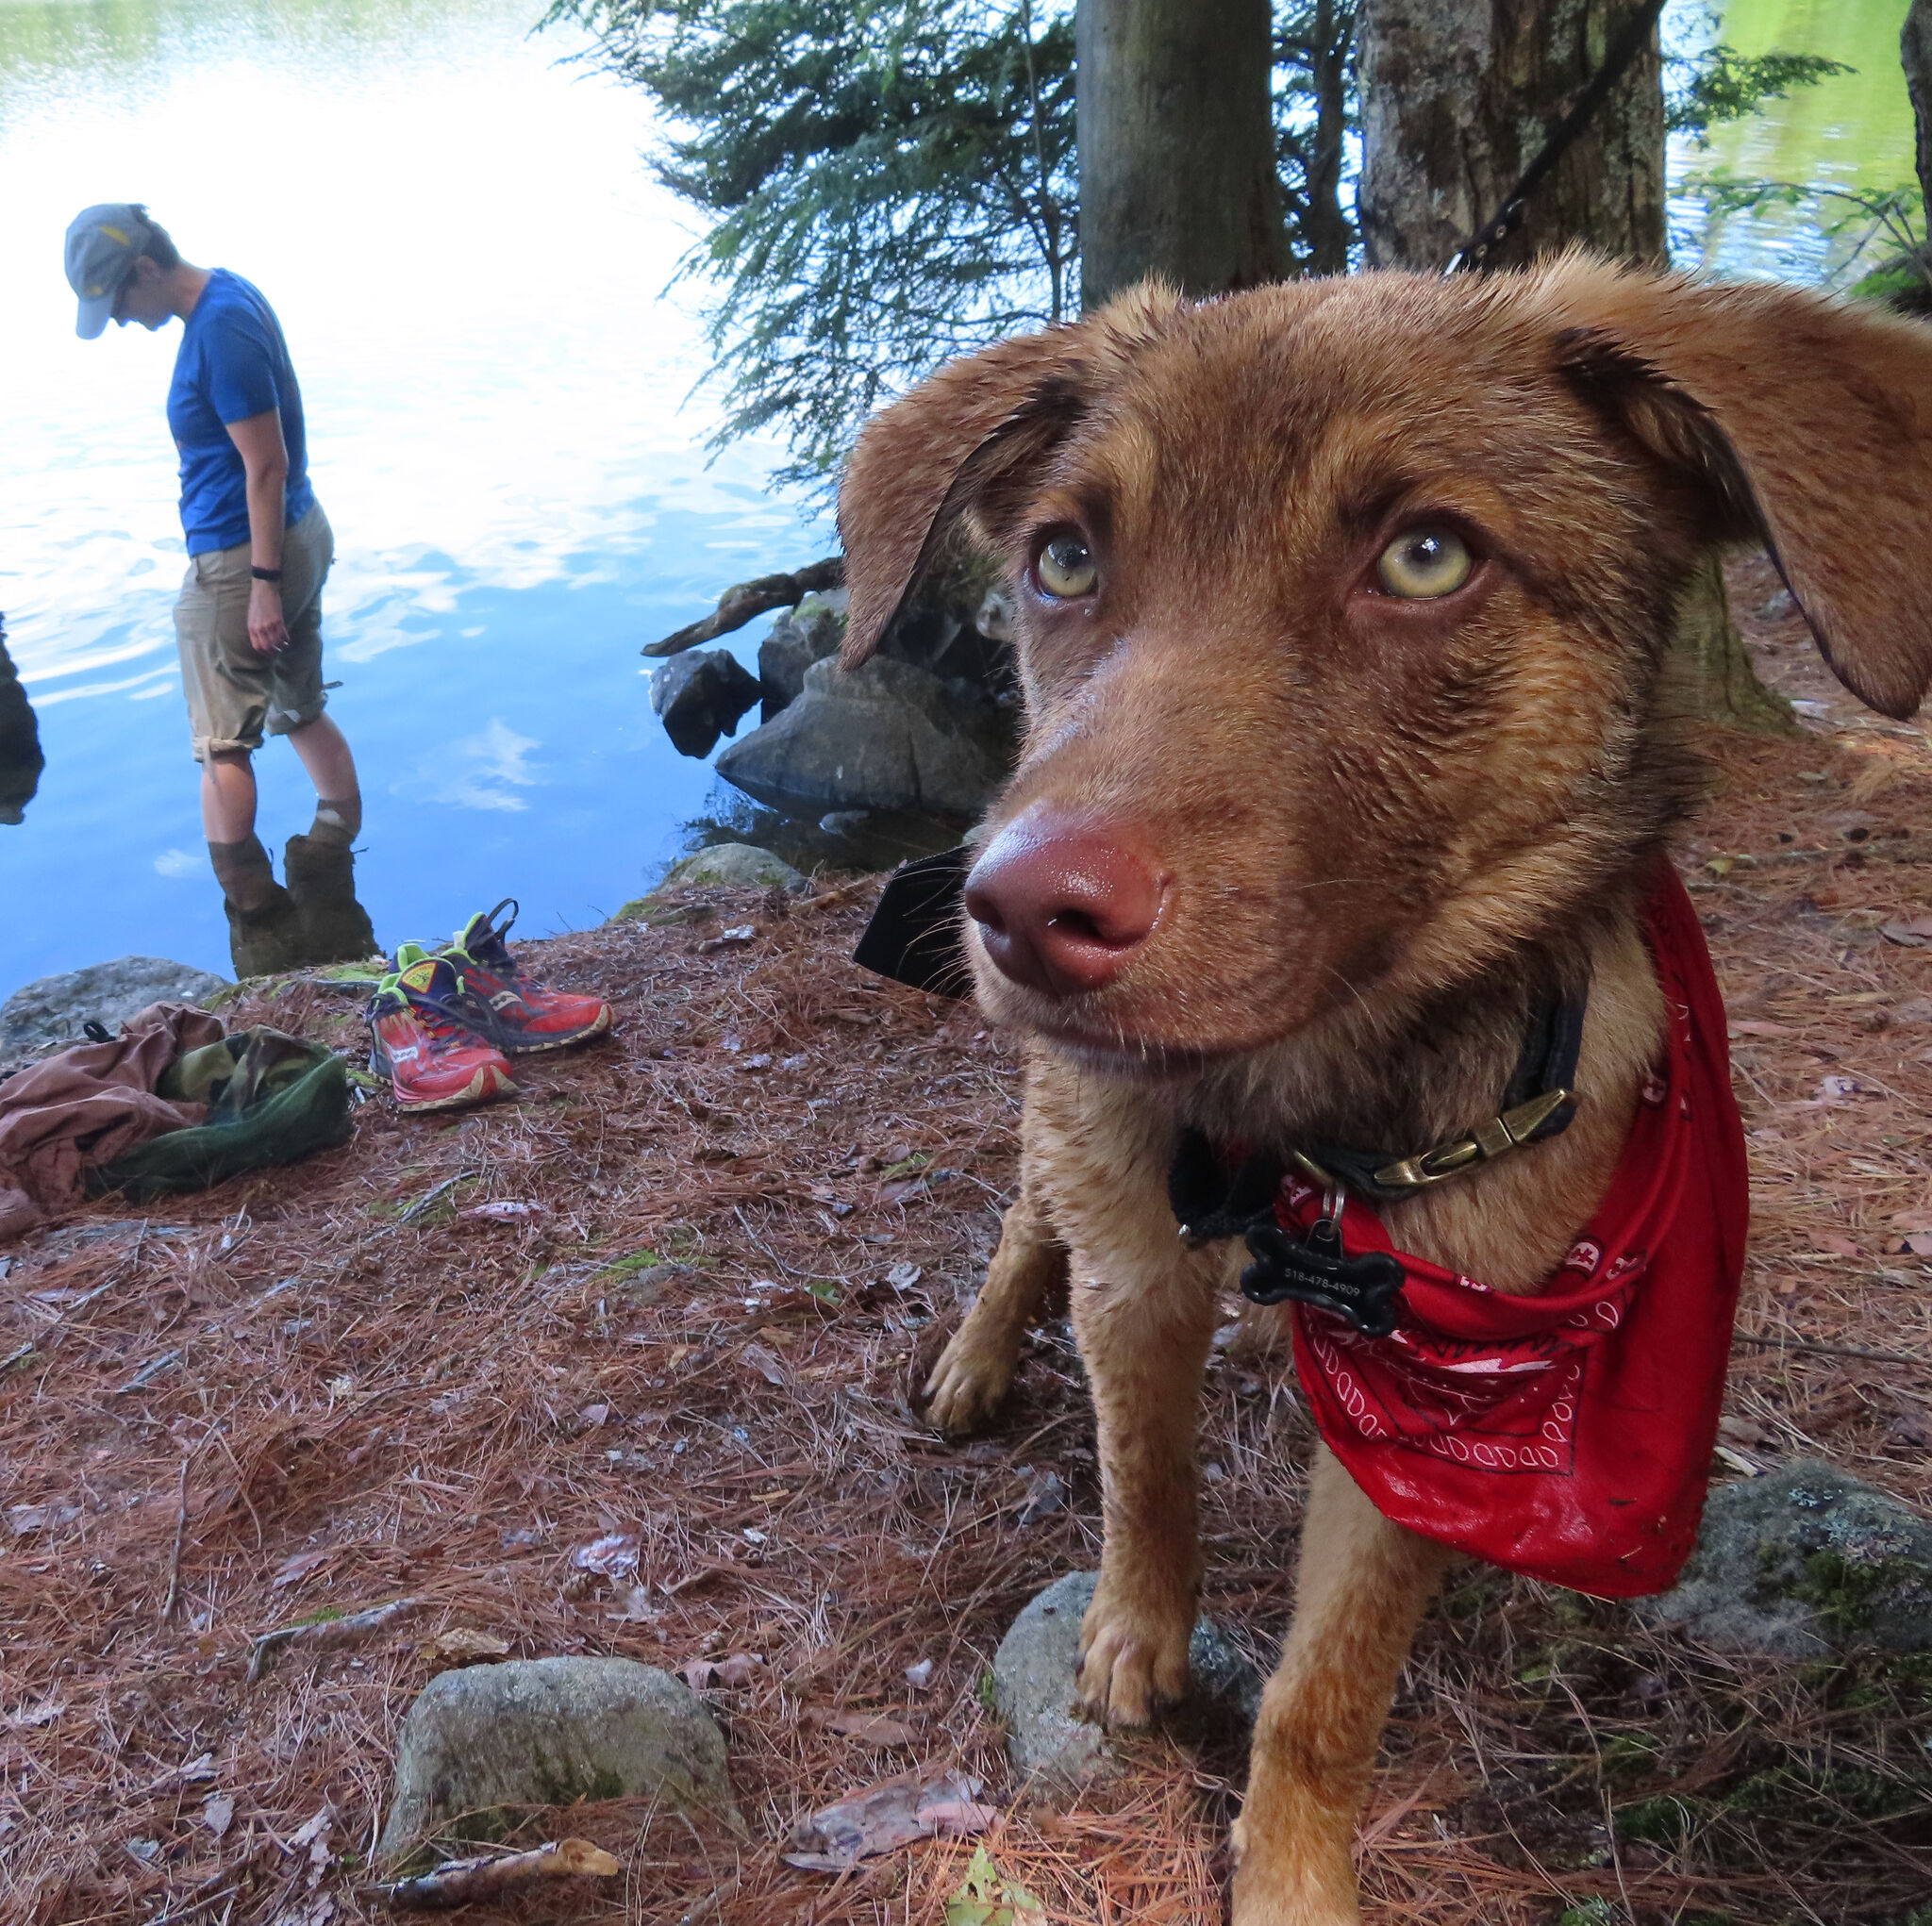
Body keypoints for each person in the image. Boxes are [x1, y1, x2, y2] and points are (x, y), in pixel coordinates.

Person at [62, 204, 371, 971]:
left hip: (242, 560)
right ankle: (331, 852)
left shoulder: (219, 332)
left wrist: (263, 586)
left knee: (222, 743)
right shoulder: (230, 295)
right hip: (296, 533)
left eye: (118, 304)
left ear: (143, 269)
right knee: (299, 705)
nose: (123, 323)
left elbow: (262, 465)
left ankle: (256, 913)